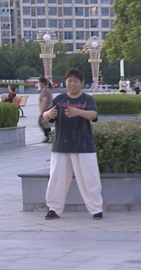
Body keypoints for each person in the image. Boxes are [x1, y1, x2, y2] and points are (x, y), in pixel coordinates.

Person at [41, 68, 103, 221]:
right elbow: (46, 114)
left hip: (84, 146)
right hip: (62, 145)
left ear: (81, 83)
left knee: (89, 178)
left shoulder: (87, 100)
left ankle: (96, 209)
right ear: (65, 82)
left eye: (76, 81)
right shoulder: (60, 99)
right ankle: (53, 208)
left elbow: (94, 115)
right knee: (57, 178)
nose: (72, 84)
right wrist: (48, 115)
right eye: (70, 81)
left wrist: (79, 112)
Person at [38, 76, 54, 143]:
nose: (38, 84)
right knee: (44, 123)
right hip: (48, 110)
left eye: (39, 82)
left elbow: (44, 101)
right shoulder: (47, 89)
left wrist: (42, 112)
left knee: (42, 122)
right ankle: (49, 137)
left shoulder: (45, 90)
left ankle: (49, 137)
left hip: (46, 110)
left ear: (42, 83)